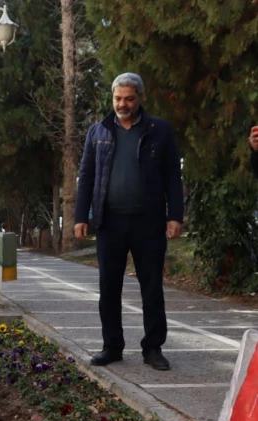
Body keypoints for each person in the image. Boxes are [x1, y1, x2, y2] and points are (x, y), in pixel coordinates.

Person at [74, 72, 184, 371]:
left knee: (151, 287)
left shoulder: (159, 130)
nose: (122, 104)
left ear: (140, 98)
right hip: (109, 223)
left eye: (129, 99)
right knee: (109, 287)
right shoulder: (98, 132)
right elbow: (86, 176)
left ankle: (153, 347)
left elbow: (173, 176)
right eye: (117, 98)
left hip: (148, 223)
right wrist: (80, 216)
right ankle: (112, 346)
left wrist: (175, 215)